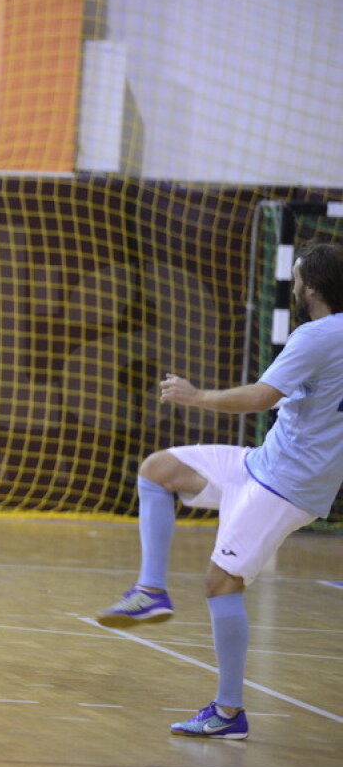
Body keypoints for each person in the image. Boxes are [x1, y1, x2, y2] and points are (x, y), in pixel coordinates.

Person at [96, 241, 343, 739]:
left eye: (296, 279)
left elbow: (260, 397)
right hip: (266, 462)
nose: (292, 287)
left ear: (311, 286)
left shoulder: (317, 336)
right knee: (158, 469)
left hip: (285, 483)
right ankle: (149, 590)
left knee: (221, 583)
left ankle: (229, 714)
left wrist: (196, 396)